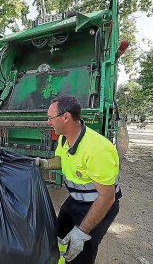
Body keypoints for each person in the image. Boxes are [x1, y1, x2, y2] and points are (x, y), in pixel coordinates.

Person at [37, 95, 121, 264]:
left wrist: (82, 231)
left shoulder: (97, 150)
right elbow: (62, 159)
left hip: (99, 206)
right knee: (58, 235)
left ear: (66, 117)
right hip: (76, 200)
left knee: (81, 252)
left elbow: (107, 197)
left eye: (51, 118)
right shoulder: (64, 139)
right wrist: (44, 164)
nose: (48, 122)